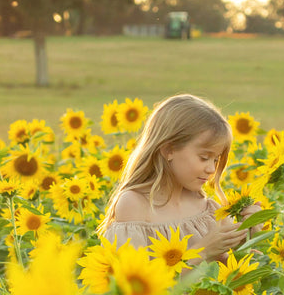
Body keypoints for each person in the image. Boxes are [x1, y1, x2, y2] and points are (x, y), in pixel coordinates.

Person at [98, 93, 248, 260]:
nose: (212, 169)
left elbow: (243, 273)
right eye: (204, 158)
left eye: (216, 159)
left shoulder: (209, 210)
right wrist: (202, 251)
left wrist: (251, 233)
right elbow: (134, 281)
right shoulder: (135, 205)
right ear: (168, 150)